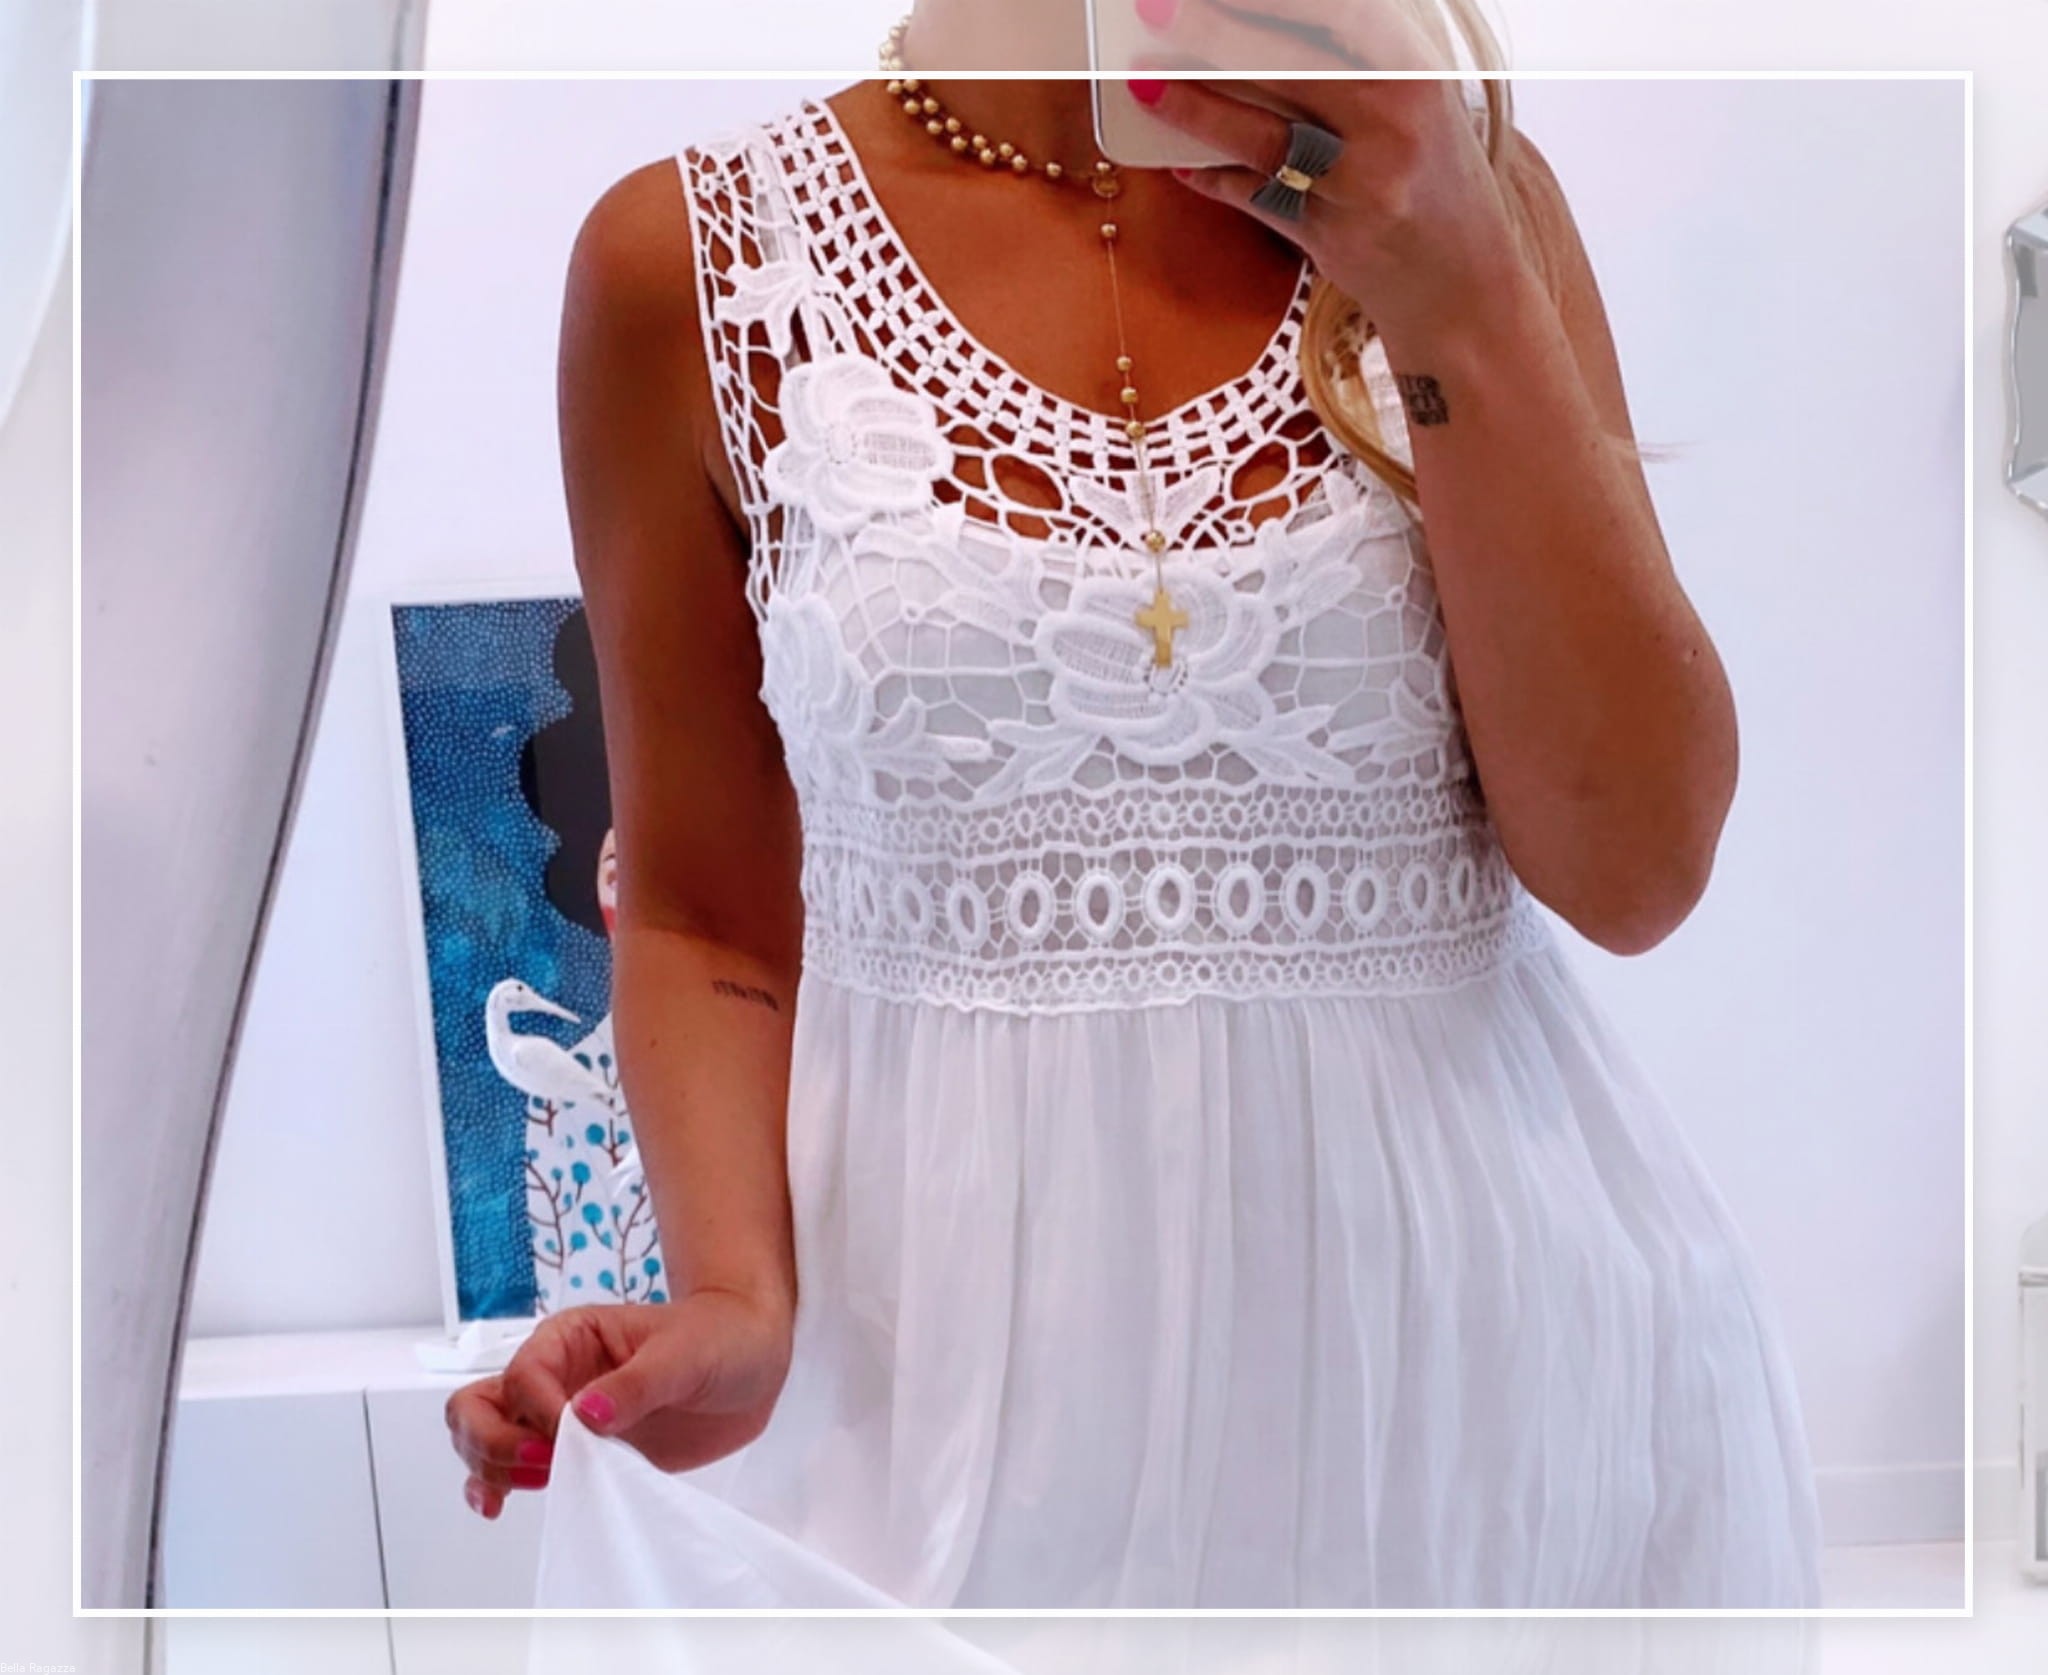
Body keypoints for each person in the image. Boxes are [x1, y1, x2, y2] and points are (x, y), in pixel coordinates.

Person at [443, 1, 1825, 1609]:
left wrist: (1458, 285)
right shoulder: (690, 265)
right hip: (952, 1411)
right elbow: (701, 910)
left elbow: (1637, 867)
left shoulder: (1448, 197)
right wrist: (734, 1296)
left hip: (1482, 1412)